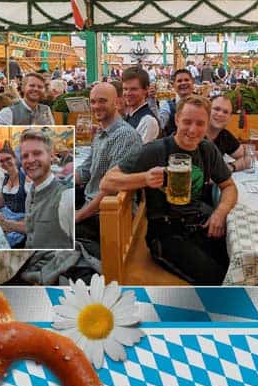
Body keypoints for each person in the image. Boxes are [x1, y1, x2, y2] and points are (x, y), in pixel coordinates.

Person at [101, 96, 238, 284]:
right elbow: (107, 181)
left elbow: (229, 185)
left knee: (238, 264)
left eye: (200, 124)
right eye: (187, 122)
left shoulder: (207, 149)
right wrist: (145, 178)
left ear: (207, 125)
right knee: (217, 279)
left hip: (199, 224)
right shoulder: (155, 150)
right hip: (166, 234)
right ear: (176, 120)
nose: (193, 130)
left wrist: (220, 213)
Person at [74, 82, 142, 242]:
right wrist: (59, 180)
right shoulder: (100, 132)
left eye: (102, 101)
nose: (96, 106)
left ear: (117, 103)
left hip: (109, 214)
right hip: (92, 206)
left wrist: (78, 216)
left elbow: (110, 191)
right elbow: (85, 171)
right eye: (93, 102)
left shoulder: (126, 136)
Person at [0, 129, 73, 249]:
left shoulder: (67, 197)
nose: (30, 160)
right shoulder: (33, 190)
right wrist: (5, 224)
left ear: (51, 156)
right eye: (25, 156)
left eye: (37, 153)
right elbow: (31, 227)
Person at [206, 95, 253, 172]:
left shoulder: (225, 135)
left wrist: (230, 167)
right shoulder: (193, 133)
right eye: (216, 109)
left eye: (225, 112)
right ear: (207, 110)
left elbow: (248, 158)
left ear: (229, 118)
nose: (220, 114)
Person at [122, 66, 160, 143]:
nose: (128, 93)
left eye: (133, 89)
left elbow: (139, 154)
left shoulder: (148, 121)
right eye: (125, 89)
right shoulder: (130, 114)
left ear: (146, 90)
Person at [158, 69, 193, 137]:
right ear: (174, 85)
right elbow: (160, 125)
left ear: (192, 82)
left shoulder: (200, 103)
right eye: (179, 81)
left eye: (186, 80)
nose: (183, 83)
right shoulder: (167, 105)